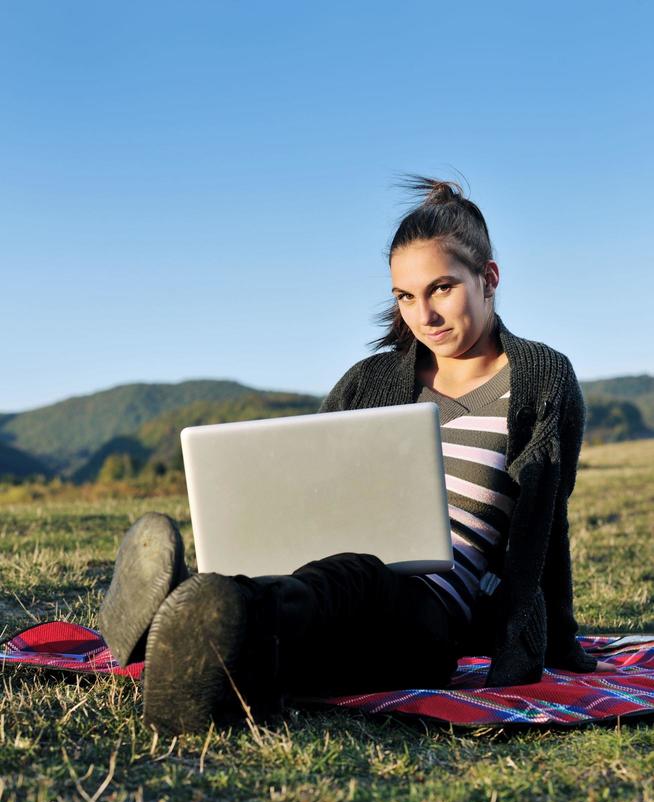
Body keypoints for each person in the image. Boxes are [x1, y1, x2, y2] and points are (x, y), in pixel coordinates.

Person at [99, 178, 596, 734]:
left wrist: (546, 637)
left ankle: (201, 608)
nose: (424, 314)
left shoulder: (539, 377)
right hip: (331, 592)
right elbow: (307, 485)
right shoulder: (370, 381)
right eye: (406, 297)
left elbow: (544, 520)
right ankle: (204, 639)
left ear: (489, 279)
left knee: (356, 579)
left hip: (431, 620)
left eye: (441, 289)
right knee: (324, 615)